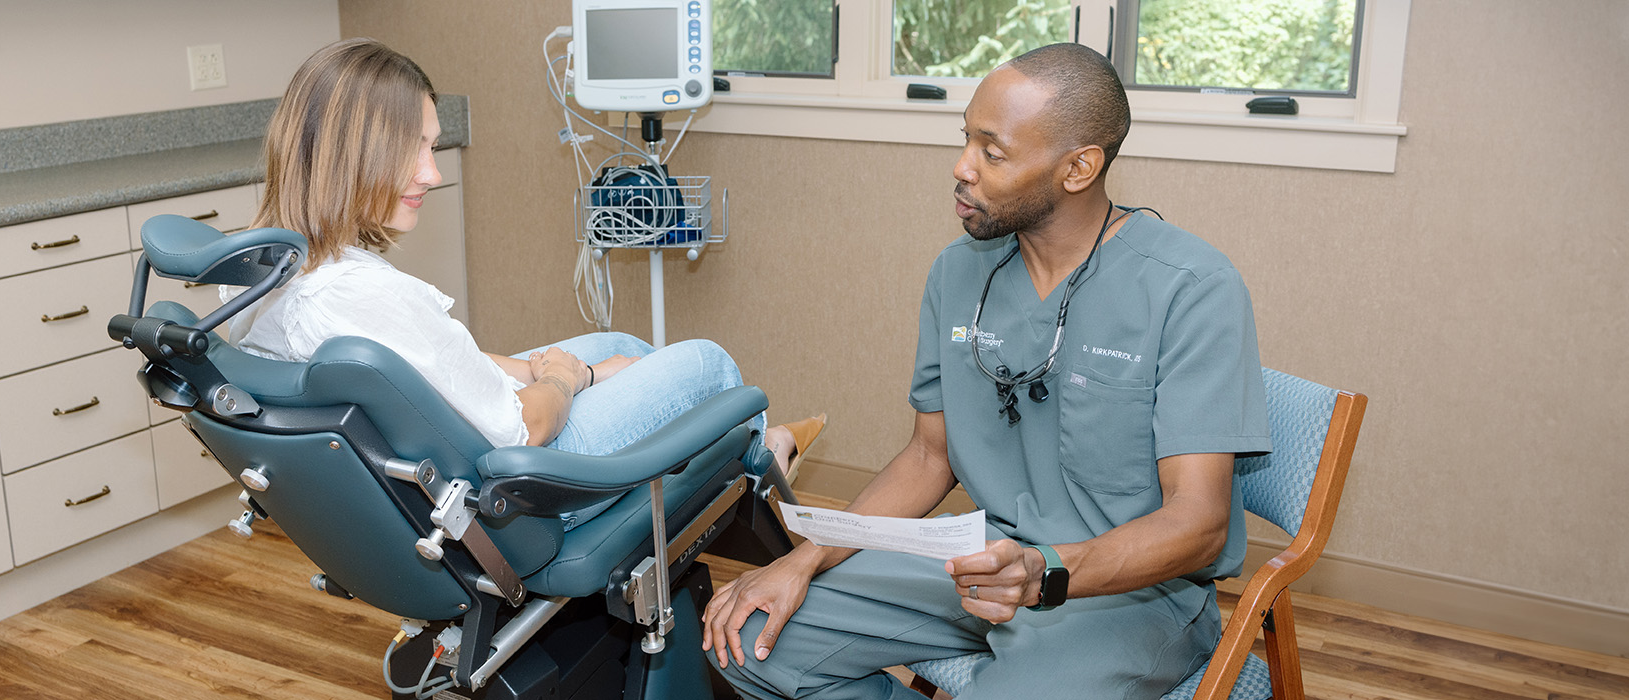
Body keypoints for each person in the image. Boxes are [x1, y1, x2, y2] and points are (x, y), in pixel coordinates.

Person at [701, 43, 1270, 699]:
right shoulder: (959, 270)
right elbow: (928, 456)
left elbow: (1196, 526)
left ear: (1079, 167)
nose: (962, 167)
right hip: (975, 563)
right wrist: (802, 561)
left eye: (992, 153)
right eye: (965, 139)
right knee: (745, 639)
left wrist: (1044, 569)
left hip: (1132, 594)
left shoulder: (1191, 288)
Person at [220, 38, 825, 530]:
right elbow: (525, 429)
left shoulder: (258, 278)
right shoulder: (364, 296)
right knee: (708, 365)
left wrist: (542, 369)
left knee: (625, 348)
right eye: (416, 150)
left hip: (458, 459)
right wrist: (564, 378)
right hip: (520, 491)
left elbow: (416, 370)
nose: (431, 173)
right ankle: (763, 451)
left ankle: (748, 451)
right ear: (355, 152)